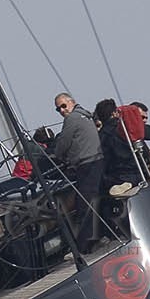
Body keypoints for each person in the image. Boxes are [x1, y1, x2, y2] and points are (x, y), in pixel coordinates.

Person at [47, 94, 104, 249]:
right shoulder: (85, 115)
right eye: (58, 109)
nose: (61, 110)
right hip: (96, 162)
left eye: (63, 106)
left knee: (84, 205)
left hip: (87, 165)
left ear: (72, 102)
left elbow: (63, 142)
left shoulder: (71, 119)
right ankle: (98, 236)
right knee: (91, 201)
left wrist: (57, 156)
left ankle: (85, 246)